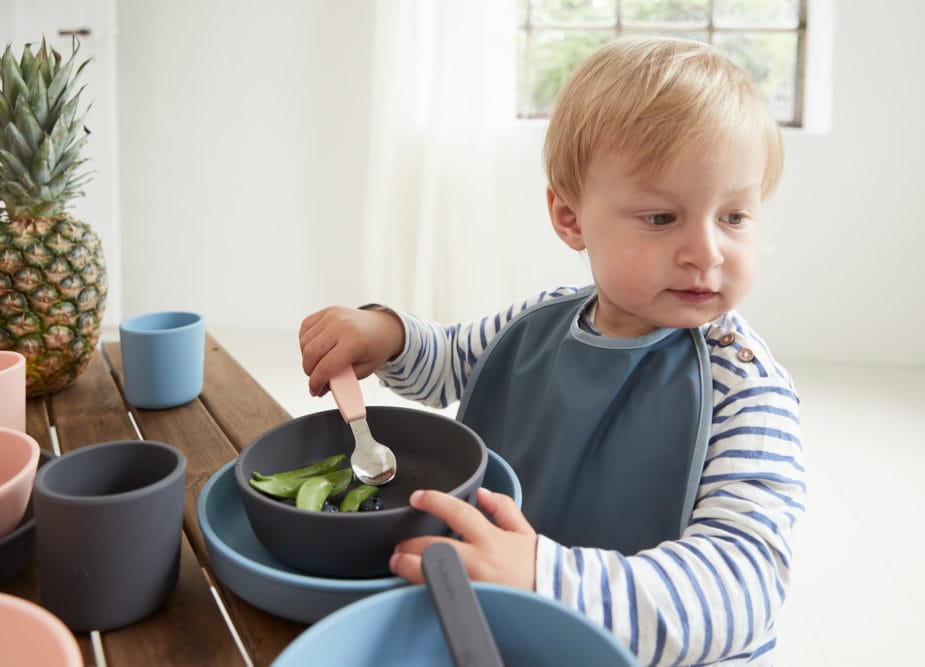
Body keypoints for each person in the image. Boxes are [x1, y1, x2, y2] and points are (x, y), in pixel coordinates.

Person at [299, 37, 805, 666]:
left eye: (734, 217)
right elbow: (453, 360)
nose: (707, 253)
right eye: (661, 218)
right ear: (570, 217)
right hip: (511, 623)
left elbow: (739, 591)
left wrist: (544, 577)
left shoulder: (747, 392)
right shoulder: (540, 322)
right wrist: (389, 335)